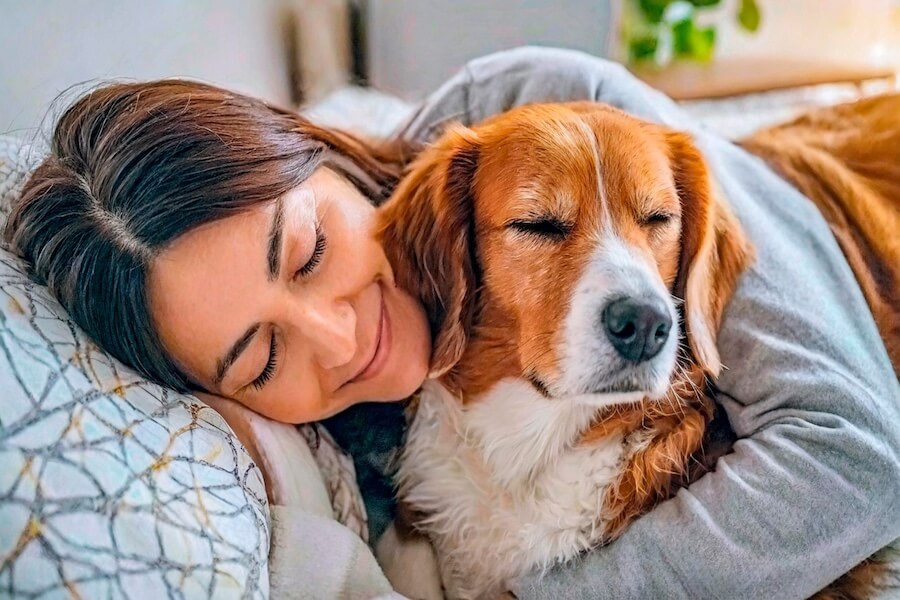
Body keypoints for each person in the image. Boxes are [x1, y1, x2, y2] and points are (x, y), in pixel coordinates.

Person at [6, 47, 899, 599]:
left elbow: (858, 455)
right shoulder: (333, 428)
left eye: (311, 251)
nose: (344, 338)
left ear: (309, 145)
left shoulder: (544, 106)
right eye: (264, 355)